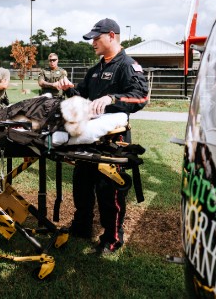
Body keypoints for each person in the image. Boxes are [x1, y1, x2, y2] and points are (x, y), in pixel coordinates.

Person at [57, 18, 148, 255]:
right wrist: (69, 89)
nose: (92, 43)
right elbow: (82, 96)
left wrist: (112, 99)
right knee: (81, 183)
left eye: (96, 38)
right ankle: (81, 227)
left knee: (109, 190)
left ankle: (113, 237)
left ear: (111, 35)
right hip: (88, 138)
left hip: (113, 142)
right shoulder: (95, 69)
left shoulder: (127, 65)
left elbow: (140, 98)